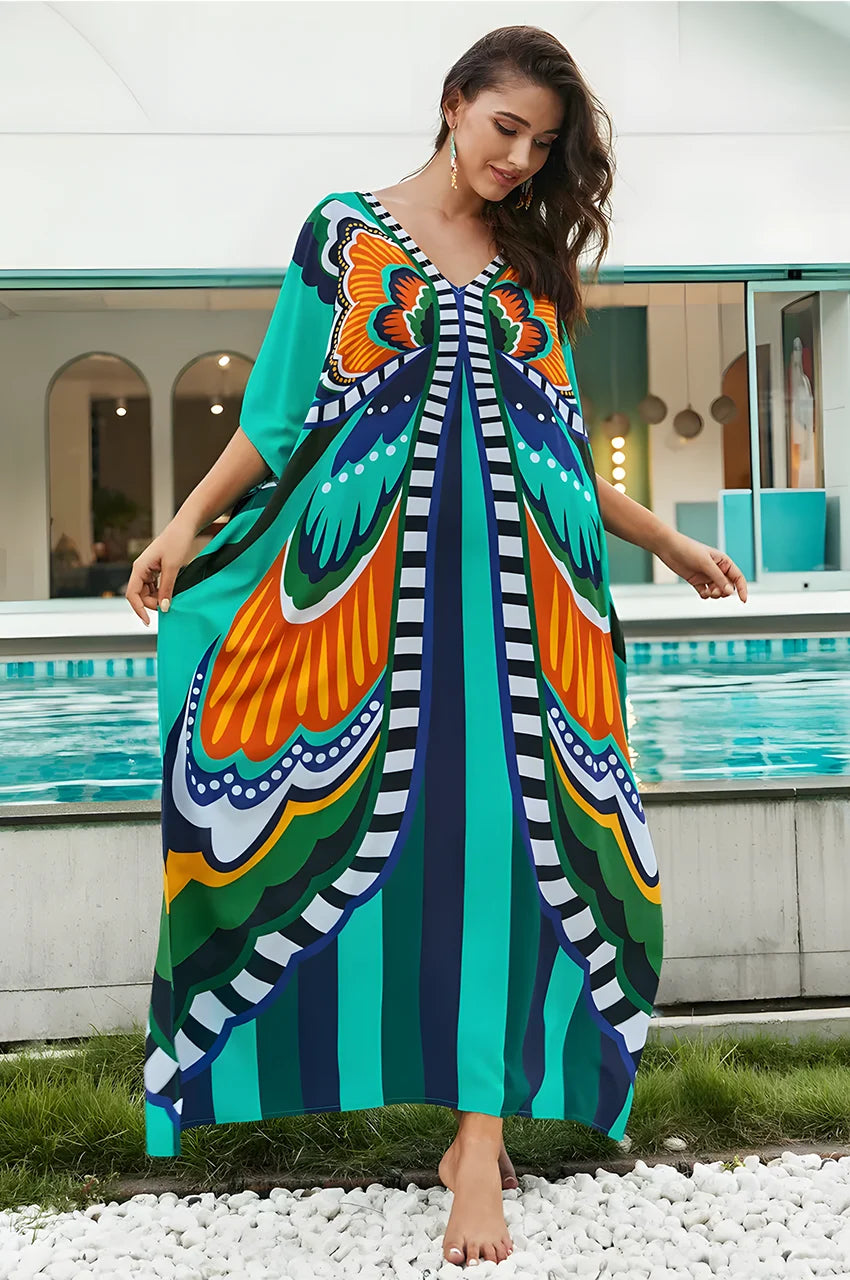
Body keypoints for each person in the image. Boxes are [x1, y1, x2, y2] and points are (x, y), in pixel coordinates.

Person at [126, 25, 748, 1269]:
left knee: (520, 846)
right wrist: (187, 522)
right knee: (390, 840)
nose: (519, 160)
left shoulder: (532, 261)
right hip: (366, 605)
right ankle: (444, 1115)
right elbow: (276, 412)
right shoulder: (343, 234)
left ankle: (477, 1140)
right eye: (505, 127)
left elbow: (557, 443)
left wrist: (664, 541)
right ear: (455, 102)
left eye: (544, 145)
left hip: (527, 602)